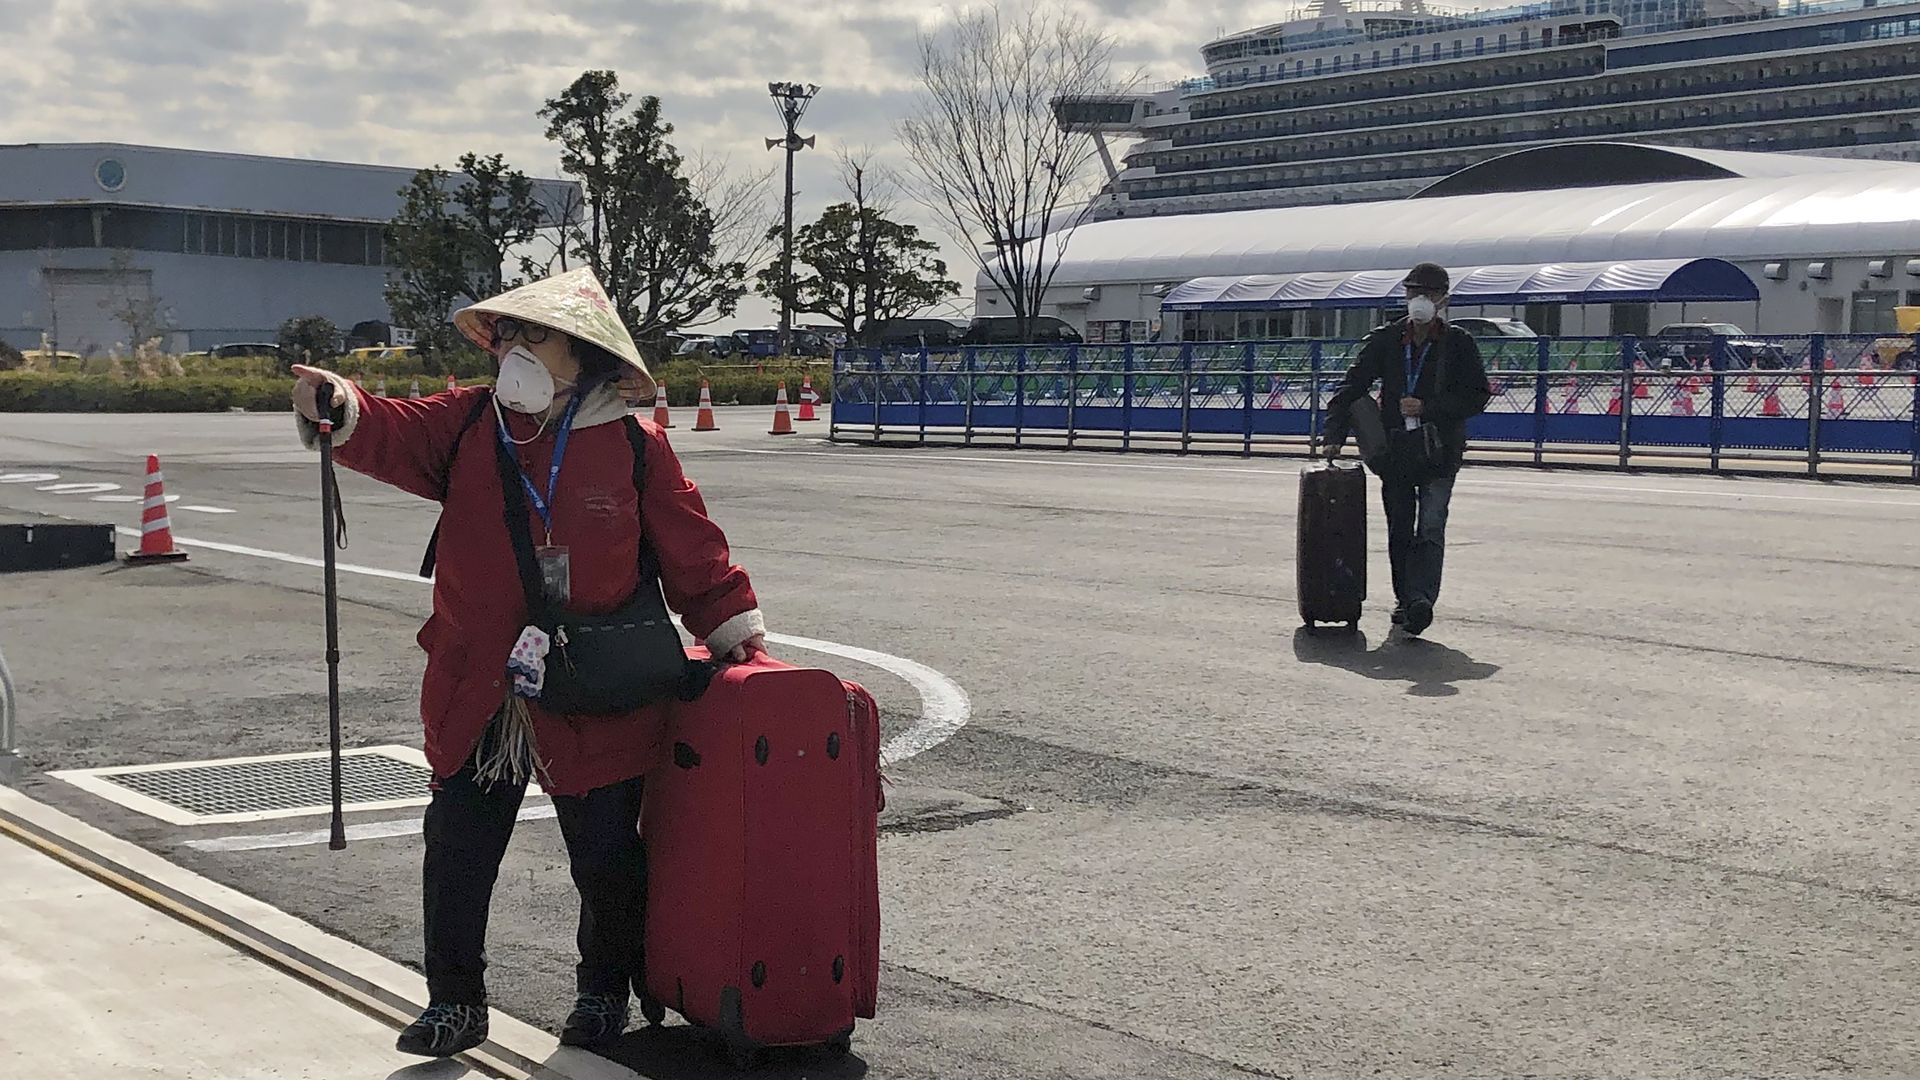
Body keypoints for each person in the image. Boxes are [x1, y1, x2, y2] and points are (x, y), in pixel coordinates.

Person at [291, 268, 768, 1058]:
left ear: (580, 355)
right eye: (507, 335)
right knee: (458, 848)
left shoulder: (633, 447)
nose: (513, 349)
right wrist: (341, 405)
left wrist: (731, 626)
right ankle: (455, 1001)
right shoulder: (468, 422)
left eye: (532, 336)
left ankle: (601, 991)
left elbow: (692, 548)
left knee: (606, 855)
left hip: (593, 683)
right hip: (481, 680)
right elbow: (388, 428)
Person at [1326, 262, 1492, 636]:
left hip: (1439, 452)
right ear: (1404, 296)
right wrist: (1333, 434)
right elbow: (1351, 388)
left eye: (1429, 294)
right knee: (1400, 528)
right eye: (1414, 293)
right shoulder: (1385, 340)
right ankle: (1406, 599)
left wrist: (1429, 408)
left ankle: (1422, 600)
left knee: (1431, 526)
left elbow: (1478, 396)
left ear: (1444, 299)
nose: (1421, 301)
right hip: (1396, 453)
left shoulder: (1459, 343)